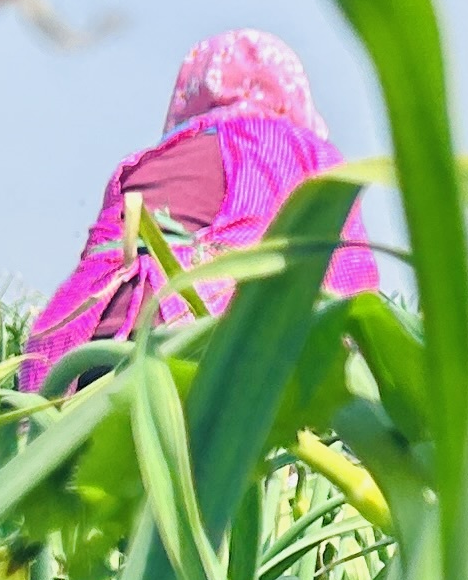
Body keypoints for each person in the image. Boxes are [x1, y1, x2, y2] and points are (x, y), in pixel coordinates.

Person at [20, 29, 379, 394]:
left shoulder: (141, 163)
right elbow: (349, 284)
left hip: (79, 353)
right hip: (190, 340)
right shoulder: (309, 155)